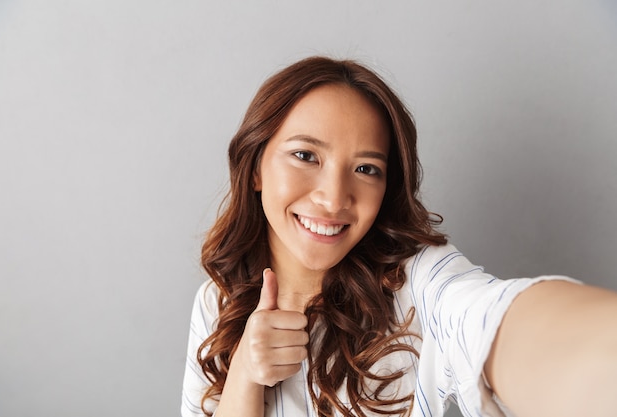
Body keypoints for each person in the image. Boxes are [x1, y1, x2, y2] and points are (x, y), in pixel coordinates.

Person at [181, 56, 617, 417]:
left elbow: (486, 315)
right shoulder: (216, 302)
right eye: (305, 155)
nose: (334, 199)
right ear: (255, 167)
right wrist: (244, 373)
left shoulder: (415, 284)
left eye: (366, 169)